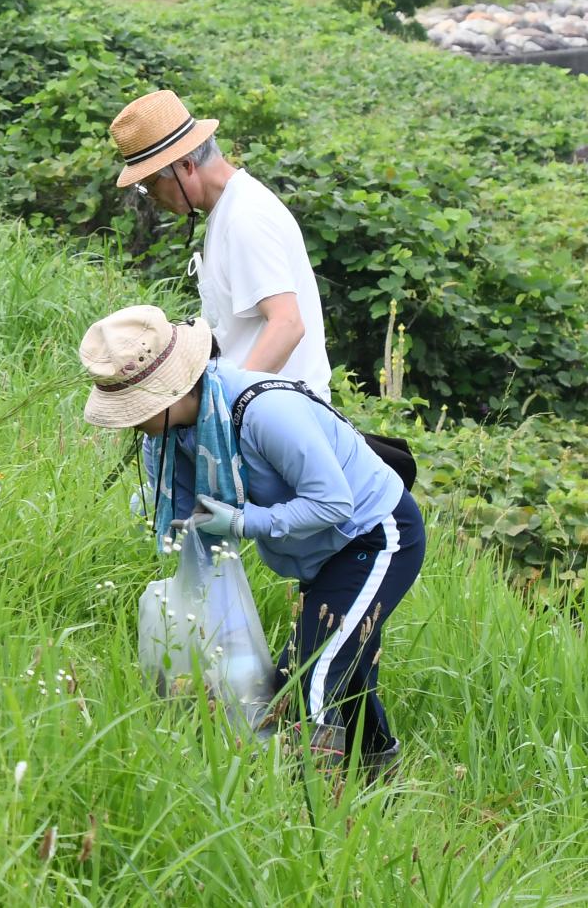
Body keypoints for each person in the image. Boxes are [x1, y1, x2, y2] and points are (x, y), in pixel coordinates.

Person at [80, 304, 423, 777]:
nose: (127, 424)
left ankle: (310, 799)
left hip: (373, 535)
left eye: (132, 412)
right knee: (344, 667)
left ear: (169, 393)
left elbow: (333, 504)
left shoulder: (266, 412)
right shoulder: (176, 433)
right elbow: (189, 514)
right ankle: (377, 773)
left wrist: (242, 522)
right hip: (317, 550)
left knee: (307, 675)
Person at [110, 89, 332, 399]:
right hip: (263, 406)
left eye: (150, 185)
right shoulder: (228, 209)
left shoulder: (245, 217)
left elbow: (288, 323)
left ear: (185, 166)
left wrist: (229, 405)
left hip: (278, 411)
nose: (153, 197)